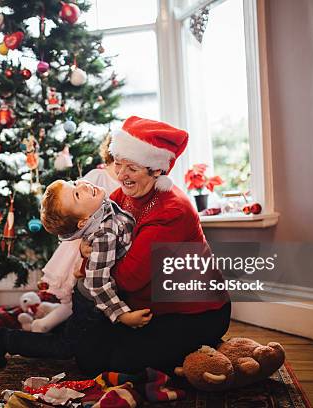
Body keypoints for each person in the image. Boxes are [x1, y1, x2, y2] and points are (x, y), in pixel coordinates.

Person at [72, 116, 231, 375]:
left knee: (116, 365)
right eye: (119, 164)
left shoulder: (172, 209)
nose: (122, 175)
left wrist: (93, 260)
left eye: (131, 168)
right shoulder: (122, 195)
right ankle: (184, 354)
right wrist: (87, 251)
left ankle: (204, 349)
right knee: (90, 358)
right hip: (144, 306)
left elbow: (130, 278)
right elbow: (95, 240)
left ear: (156, 169)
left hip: (196, 313)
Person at [0, 177, 150, 368]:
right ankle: (7, 339)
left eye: (74, 184)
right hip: (92, 302)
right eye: (76, 193)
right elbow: (97, 284)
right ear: (83, 221)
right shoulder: (103, 236)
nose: (83, 185)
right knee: (67, 348)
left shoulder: (99, 206)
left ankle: (63, 327)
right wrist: (123, 316)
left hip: (96, 299)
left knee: (90, 347)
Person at [31, 135, 121, 333]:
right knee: (78, 290)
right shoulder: (97, 178)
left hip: (108, 244)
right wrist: (81, 249)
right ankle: (49, 322)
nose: (80, 185)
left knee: (81, 294)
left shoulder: (128, 182)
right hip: (84, 245)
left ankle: (55, 312)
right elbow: (72, 213)